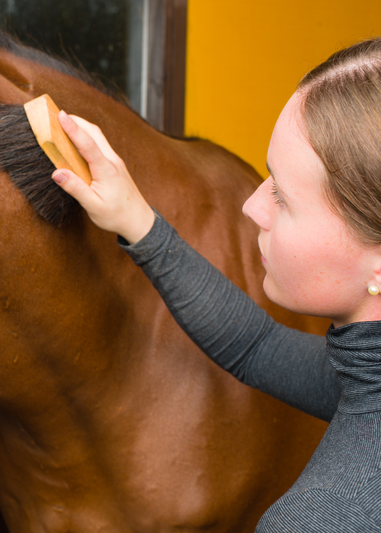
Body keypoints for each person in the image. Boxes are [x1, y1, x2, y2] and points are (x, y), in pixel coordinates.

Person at [51, 37, 381, 531]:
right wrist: (136, 220)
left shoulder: (321, 519)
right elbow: (257, 347)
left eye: (284, 198)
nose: (252, 207)